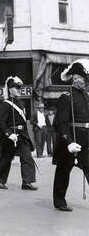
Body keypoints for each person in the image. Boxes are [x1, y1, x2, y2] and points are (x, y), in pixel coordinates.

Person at [53, 59, 89, 212]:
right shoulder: (66, 96)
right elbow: (60, 122)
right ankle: (59, 200)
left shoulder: (87, 96)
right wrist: (69, 142)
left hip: (86, 139)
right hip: (71, 139)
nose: (86, 82)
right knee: (63, 170)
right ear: (75, 78)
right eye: (84, 79)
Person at [0, 76, 37, 191]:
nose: (19, 89)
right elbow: (0, 122)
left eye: (20, 87)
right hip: (10, 136)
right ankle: (0, 180)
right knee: (6, 158)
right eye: (17, 87)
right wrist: (9, 133)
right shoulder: (5, 104)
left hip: (21, 135)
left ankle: (27, 182)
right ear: (10, 89)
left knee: (27, 157)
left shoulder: (21, 103)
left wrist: (27, 136)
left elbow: (23, 122)